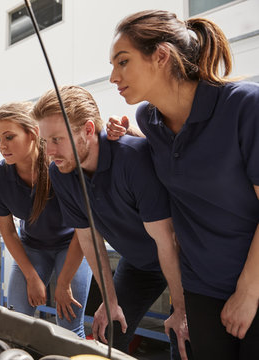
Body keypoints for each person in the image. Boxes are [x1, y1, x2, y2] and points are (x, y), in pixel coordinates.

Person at [107, 10, 259, 359]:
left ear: (161, 56)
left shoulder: (244, 105)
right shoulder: (149, 120)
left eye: (123, 61)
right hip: (201, 286)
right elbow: (178, 156)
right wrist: (127, 134)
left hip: (253, 282)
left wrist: (248, 293)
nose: (113, 75)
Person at [32, 85, 190, 359]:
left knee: (185, 337)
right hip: (139, 263)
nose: (50, 152)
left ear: (89, 130)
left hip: (184, 257)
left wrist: (181, 309)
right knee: (110, 329)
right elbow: (89, 238)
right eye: (46, 142)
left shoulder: (133, 157)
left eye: (57, 139)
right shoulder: (61, 172)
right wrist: (110, 299)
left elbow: (167, 239)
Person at [0, 102, 92, 336]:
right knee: (16, 321)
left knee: (69, 325)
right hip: (32, 247)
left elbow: (83, 231)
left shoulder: (61, 167)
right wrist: (31, 276)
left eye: (9, 137)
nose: (2, 146)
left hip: (72, 245)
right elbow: (8, 232)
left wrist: (63, 284)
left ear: (33, 134)